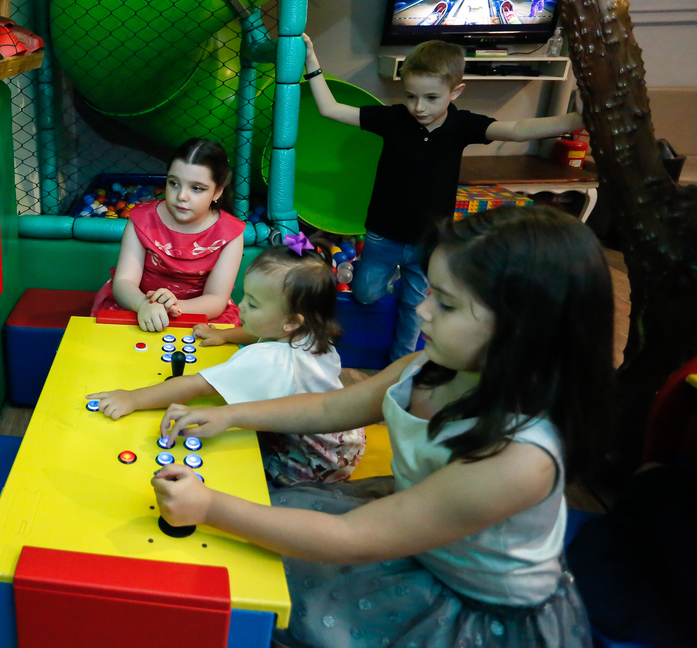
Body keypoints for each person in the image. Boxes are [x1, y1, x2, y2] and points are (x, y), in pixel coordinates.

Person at [151, 206, 610, 648]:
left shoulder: (519, 459)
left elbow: (353, 539)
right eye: (430, 292)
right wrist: (231, 415)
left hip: (465, 606)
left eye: (446, 304)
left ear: (523, 329)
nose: (422, 310)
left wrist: (208, 506)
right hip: (404, 526)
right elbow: (328, 409)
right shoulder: (426, 367)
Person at [301, 35, 584, 362]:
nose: (419, 107)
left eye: (431, 98)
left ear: (456, 92)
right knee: (365, 294)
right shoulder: (393, 119)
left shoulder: (462, 125)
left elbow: (518, 129)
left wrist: (580, 119)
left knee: (414, 306)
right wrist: (311, 60)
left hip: (430, 242)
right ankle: (393, 277)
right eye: (411, 96)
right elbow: (331, 109)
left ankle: (401, 365)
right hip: (383, 236)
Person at [88, 246, 365, 486]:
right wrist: (225, 335)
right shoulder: (311, 332)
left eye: (253, 305)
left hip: (315, 460)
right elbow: (266, 331)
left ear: (292, 321)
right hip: (345, 435)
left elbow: (195, 385)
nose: (240, 307)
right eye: (245, 296)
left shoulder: (268, 360)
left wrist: (132, 398)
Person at [91, 138, 245, 332]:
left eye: (197, 188)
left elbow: (216, 299)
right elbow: (124, 282)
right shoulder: (142, 218)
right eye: (174, 183)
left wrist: (173, 306)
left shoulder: (229, 233)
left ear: (217, 192)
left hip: (199, 314)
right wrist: (143, 304)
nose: (182, 196)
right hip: (139, 306)